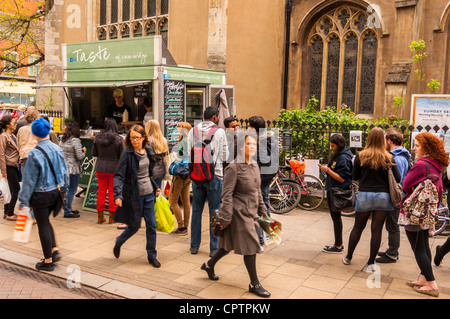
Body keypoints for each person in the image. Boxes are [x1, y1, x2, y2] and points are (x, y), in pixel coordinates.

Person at [201, 131, 270, 298]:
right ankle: (254, 284)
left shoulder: (254, 165)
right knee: (251, 247)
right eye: (248, 144)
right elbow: (226, 195)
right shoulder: (234, 167)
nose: (252, 146)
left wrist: (264, 213)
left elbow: (257, 192)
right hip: (238, 214)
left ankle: (209, 265)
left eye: (254, 144)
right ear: (240, 146)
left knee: (226, 246)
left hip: (251, 212)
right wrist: (224, 218)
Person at [343, 127, 401, 268]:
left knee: (358, 227)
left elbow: (355, 176)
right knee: (377, 229)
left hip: (365, 194)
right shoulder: (389, 157)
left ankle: (349, 256)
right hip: (383, 196)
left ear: (368, 139)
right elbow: (398, 178)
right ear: (382, 140)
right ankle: (370, 261)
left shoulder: (360, 156)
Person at [398, 132, 448, 297]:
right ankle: (423, 278)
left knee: (418, 248)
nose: (414, 148)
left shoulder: (421, 165)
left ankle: (432, 284)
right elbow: (440, 190)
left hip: (415, 213)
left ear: (425, 148)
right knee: (424, 245)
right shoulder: (436, 164)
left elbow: (405, 184)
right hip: (426, 213)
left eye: (417, 145)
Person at [17, 118, 69, 271]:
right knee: (45, 221)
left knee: (42, 224)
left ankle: (48, 261)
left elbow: (29, 180)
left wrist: (23, 200)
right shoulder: (57, 148)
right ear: (48, 131)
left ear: (33, 134)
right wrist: (64, 190)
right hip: (55, 192)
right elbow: (64, 172)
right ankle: (54, 250)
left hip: (40, 195)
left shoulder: (34, 154)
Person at [113, 125, 162, 268]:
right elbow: (119, 175)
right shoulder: (127, 154)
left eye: (137, 137)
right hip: (134, 195)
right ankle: (119, 241)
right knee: (134, 226)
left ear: (143, 138)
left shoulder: (148, 151)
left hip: (149, 194)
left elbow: (148, 173)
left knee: (151, 225)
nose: (134, 140)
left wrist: (155, 187)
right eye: (131, 137)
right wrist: (118, 194)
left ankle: (152, 255)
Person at [188, 106, 228, 256]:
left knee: (196, 211)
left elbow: (188, 152)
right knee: (214, 212)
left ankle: (194, 246)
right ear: (214, 117)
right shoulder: (219, 132)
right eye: (218, 117)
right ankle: (213, 249)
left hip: (197, 176)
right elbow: (225, 156)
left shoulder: (193, 130)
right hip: (214, 176)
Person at [376, 128, 411, 263]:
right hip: (396, 196)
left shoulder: (398, 158)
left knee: (393, 225)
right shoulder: (399, 155)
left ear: (389, 141)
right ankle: (391, 250)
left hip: (395, 197)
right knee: (391, 225)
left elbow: (398, 180)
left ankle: (392, 254)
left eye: (385, 139)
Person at [319, 134, 353, 253]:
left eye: (332, 146)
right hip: (333, 190)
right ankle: (338, 244)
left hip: (337, 192)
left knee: (336, 217)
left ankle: (338, 245)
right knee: (335, 218)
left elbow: (343, 178)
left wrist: (327, 170)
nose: (331, 148)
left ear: (339, 145)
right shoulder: (341, 155)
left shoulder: (343, 158)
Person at [247, 116, 279, 247]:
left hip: (259, 176)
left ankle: (259, 240)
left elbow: (256, 161)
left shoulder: (258, 141)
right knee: (265, 205)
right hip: (269, 175)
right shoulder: (272, 138)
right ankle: (270, 235)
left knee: (258, 207)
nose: (247, 128)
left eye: (249, 126)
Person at [92, 119, 124, 224]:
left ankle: (100, 217)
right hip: (114, 169)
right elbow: (122, 156)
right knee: (112, 192)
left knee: (101, 191)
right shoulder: (119, 139)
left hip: (100, 167)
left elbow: (94, 154)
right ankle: (112, 217)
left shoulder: (97, 138)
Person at [169, 122, 192, 236]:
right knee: (186, 200)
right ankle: (186, 225)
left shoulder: (183, 141)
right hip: (188, 173)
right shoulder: (192, 140)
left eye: (179, 129)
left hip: (180, 173)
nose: (178, 131)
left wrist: (173, 155)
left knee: (172, 201)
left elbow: (180, 158)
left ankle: (181, 226)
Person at [59, 122, 86, 218]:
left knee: (65, 190)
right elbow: (79, 156)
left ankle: (67, 207)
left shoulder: (62, 140)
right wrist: (84, 152)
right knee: (71, 190)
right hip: (73, 169)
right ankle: (67, 211)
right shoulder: (75, 140)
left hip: (63, 168)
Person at [0, 115, 20, 220]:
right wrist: (3, 170)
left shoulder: (12, 135)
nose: (15, 124)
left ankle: (6, 212)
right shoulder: (3, 136)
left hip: (13, 165)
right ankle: (10, 213)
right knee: (17, 189)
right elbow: (1, 154)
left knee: (10, 190)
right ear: (8, 125)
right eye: (13, 122)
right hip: (8, 166)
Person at [145, 120, 169, 189]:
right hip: (160, 170)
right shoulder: (163, 140)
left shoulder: (147, 141)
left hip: (149, 170)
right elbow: (165, 155)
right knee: (157, 192)